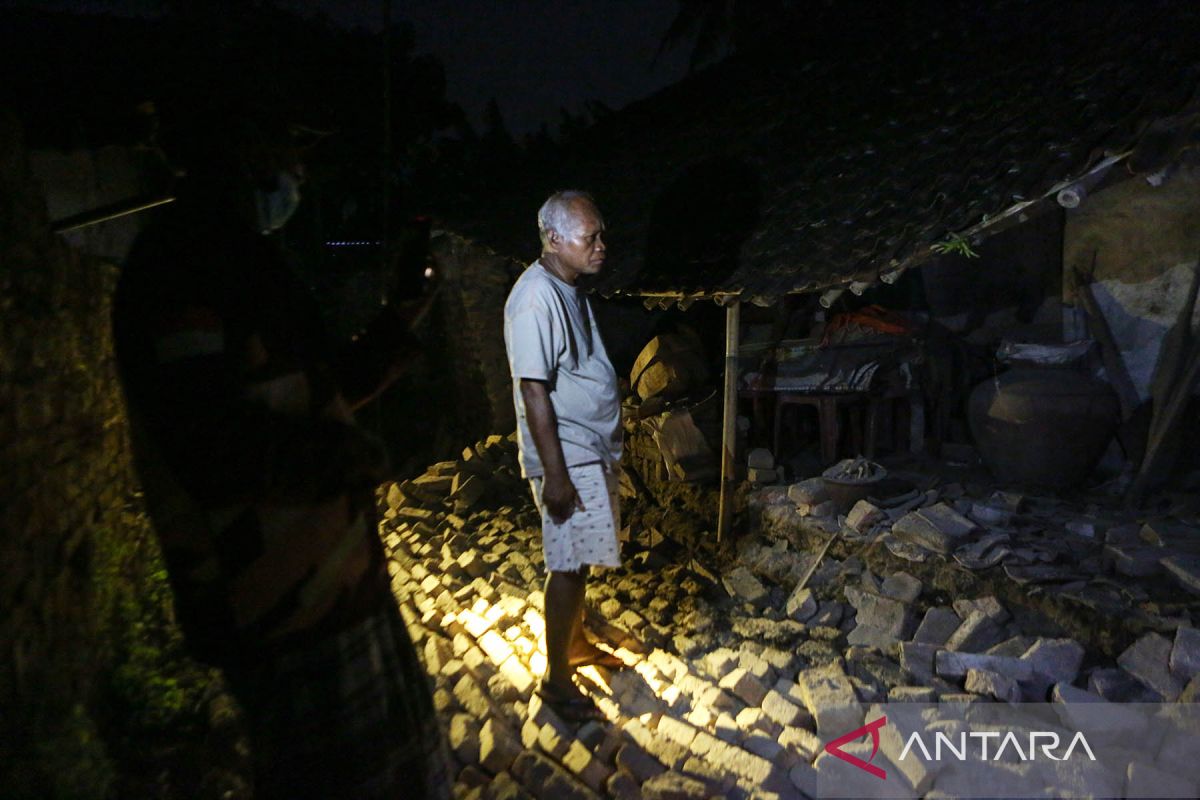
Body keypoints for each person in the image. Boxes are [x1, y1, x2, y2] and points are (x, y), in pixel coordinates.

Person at [112, 113, 449, 799]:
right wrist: (349, 458)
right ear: (242, 148)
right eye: (291, 148)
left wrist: (398, 319)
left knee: (410, 767)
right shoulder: (180, 269)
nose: (299, 169)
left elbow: (313, 391)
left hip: (335, 592)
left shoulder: (236, 260)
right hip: (277, 610)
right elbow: (211, 445)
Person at [503, 190, 626, 723]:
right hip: (566, 452)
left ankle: (574, 646)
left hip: (584, 445)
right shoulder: (535, 298)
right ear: (554, 239)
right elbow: (533, 391)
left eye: (600, 234)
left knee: (579, 558)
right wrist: (555, 474)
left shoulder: (567, 286)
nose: (601, 245)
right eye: (590, 237)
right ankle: (555, 680)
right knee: (569, 562)